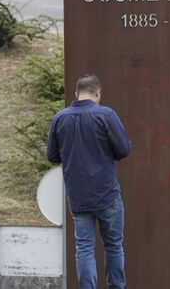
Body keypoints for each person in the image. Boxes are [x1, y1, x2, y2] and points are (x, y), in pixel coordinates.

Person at [47, 74, 132, 289]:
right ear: (98, 92)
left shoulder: (60, 118)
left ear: (76, 94)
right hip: (106, 193)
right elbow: (123, 149)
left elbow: (52, 156)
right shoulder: (106, 115)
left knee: (84, 247)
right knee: (113, 245)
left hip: (78, 196)